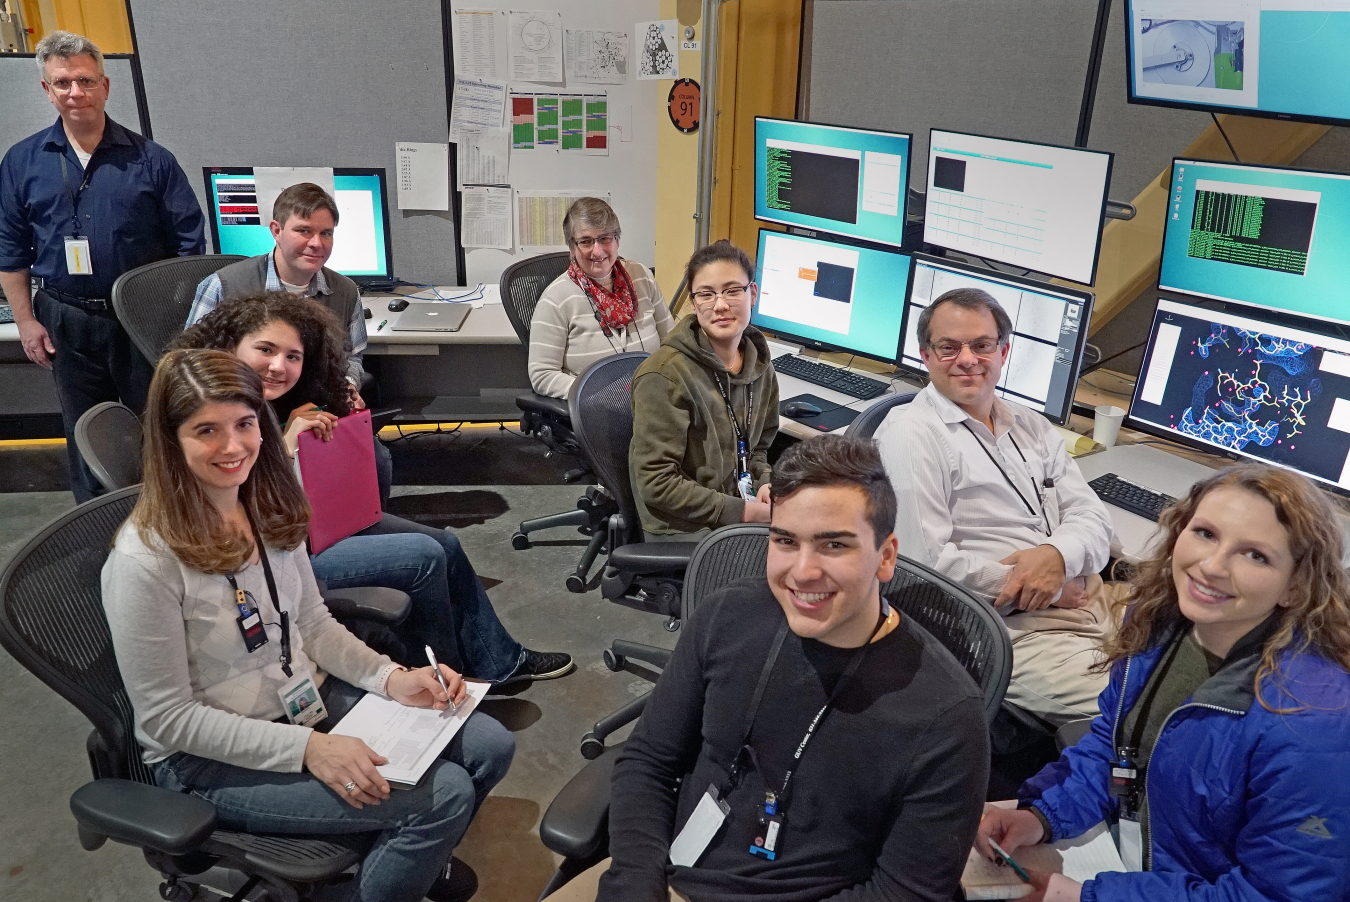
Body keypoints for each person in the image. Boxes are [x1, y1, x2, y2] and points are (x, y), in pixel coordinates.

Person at [101, 349, 515, 902]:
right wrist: (308, 750)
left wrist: (392, 678)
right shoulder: (142, 562)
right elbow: (170, 720)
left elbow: (314, 624)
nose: (233, 447)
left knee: (491, 745)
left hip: (305, 701)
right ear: (171, 442)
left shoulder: (265, 505)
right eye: (206, 430)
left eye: (245, 424)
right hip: (209, 759)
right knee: (442, 796)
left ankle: (397, 864)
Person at [547, 435, 989, 902]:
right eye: (785, 540)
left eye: (833, 545)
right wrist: (636, 883)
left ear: (886, 556)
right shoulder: (728, 616)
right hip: (665, 878)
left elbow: (904, 894)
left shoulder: (946, 716)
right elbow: (648, 761)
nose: (802, 572)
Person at [977, 464, 1350, 902]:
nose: (1211, 566)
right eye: (1206, 533)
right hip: (1147, 865)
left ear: (1294, 587)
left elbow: (1274, 894)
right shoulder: (1160, 625)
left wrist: (1083, 897)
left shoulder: (1311, 724)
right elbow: (1119, 749)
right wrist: (1042, 814)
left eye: (1256, 555)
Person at [172, 292, 573, 686]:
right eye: (265, 350)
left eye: (293, 356)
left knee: (445, 544)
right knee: (425, 556)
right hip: (276, 552)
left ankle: (497, 661)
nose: (278, 366)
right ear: (230, 346)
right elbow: (267, 512)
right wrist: (287, 444)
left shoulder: (274, 402)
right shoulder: (212, 413)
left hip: (316, 525)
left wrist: (343, 416)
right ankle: (444, 682)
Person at [874, 287, 1115, 726]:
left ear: (1004, 351)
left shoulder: (1031, 425)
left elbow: (1095, 518)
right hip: (1005, 628)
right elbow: (922, 567)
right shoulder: (912, 435)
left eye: (982, 345)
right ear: (925, 356)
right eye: (949, 347)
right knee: (1139, 712)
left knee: (1200, 665)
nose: (967, 359)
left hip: (1087, 597)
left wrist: (1057, 557)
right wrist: (1049, 588)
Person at [0, 30, 205, 503]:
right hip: (64, 317)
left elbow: (190, 249)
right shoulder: (22, 161)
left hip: (140, 320)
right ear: (46, 90)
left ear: (106, 86)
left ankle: (167, 520)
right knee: (84, 429)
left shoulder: (151, 161)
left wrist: (176, 323)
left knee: (157, 424)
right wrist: (26, 321)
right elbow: (10, 249)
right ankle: (97, 529)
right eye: (63, 82)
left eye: (86, 81)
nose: (76, 92)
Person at [629, 241, 779, 539]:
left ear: (753, 294)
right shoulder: (665, 375)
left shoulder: (759, 364)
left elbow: (757, 448)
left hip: (736, 506)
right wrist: (744, 513)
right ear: (694, 303)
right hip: (684, 524)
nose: (720, 305)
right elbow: (656, 483)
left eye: (732, 290)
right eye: (706, 294)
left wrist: (765, 482)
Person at [188, 182, 367, 404]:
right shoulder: (223, 285)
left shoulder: (345, 291)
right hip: (244, 410)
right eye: (304, 231)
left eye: (326, 233)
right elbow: (191, 366)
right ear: (276, 230)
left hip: (318, 413)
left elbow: (352, 357)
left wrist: (347, 387)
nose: (316, 243)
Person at [528, 197, 675, 399]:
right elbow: (542, 375)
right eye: (586, 241)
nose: (597, 251)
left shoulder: (641, 276)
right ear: (572, 247)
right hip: (598, 410)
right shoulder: (556, 299)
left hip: (652, 397)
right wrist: (598, 394)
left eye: (605, 238)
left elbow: (671, 341)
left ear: (617, 240)